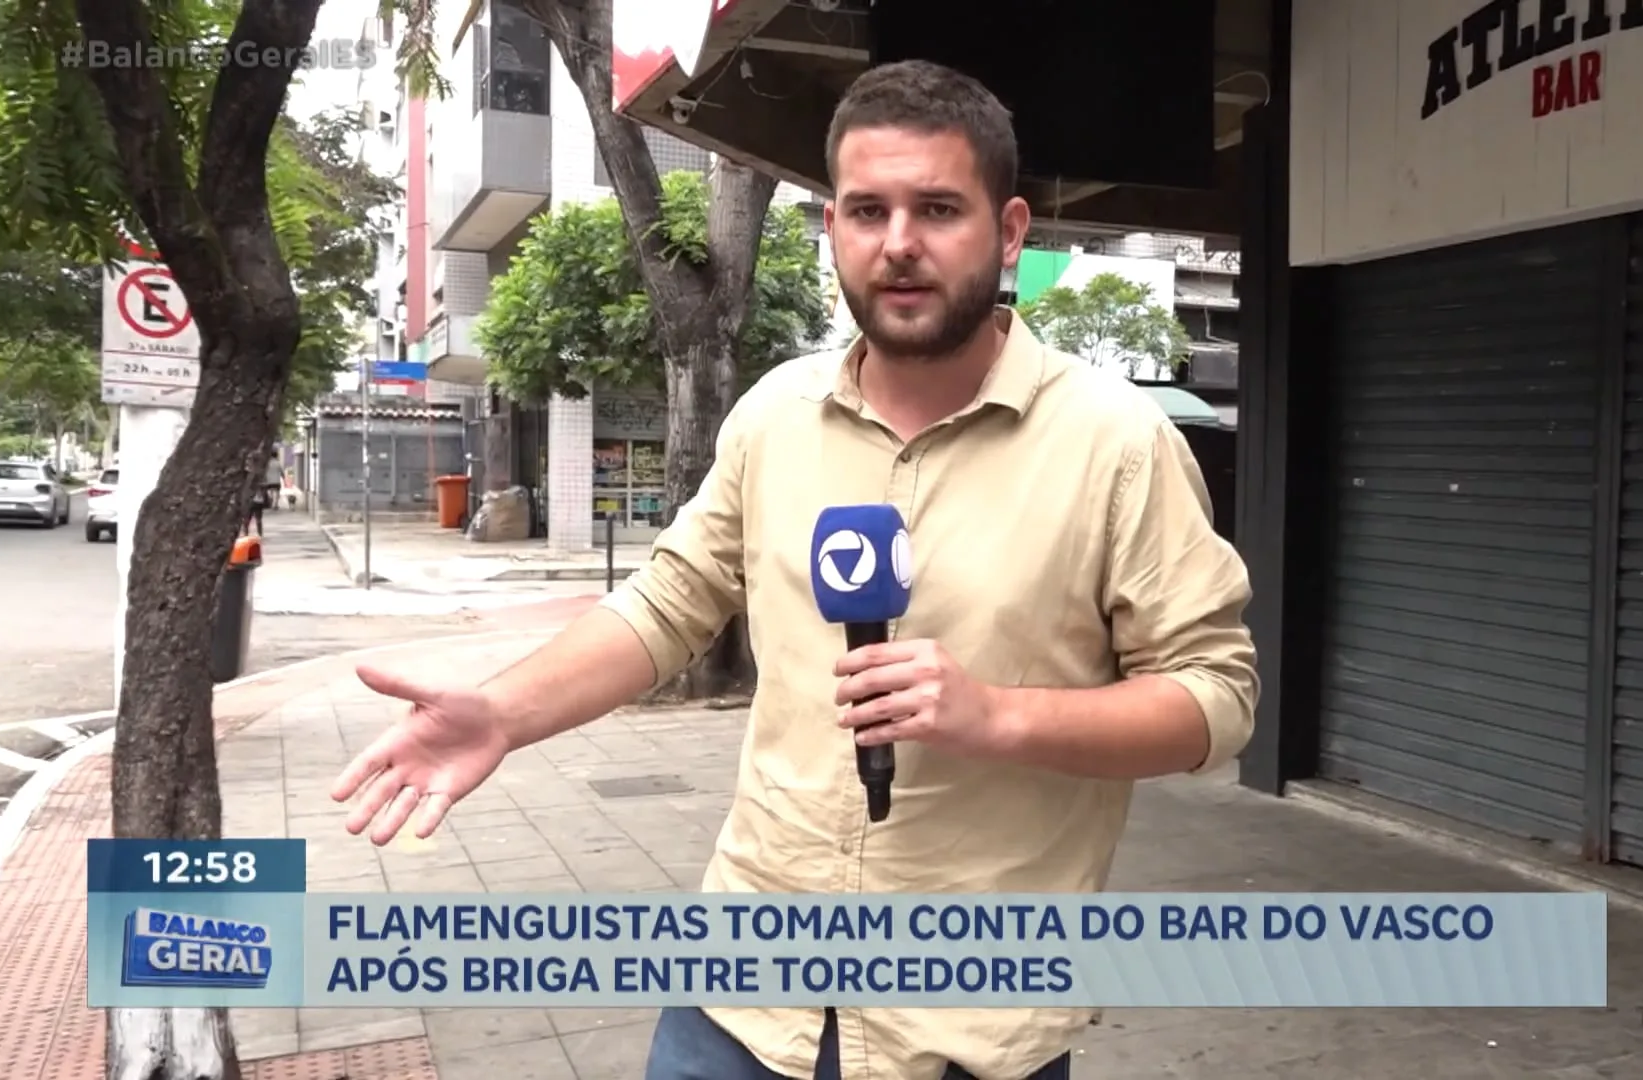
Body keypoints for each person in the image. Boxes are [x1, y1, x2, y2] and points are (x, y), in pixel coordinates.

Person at [330, 59, 1258, 1080]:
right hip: (739, 1000)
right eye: (867, 210)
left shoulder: (1118, 443)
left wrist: (998, 716)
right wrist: (505, 714)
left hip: (966, 1033)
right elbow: (669, 602)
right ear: (833, 234)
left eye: (939, 208)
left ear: (1010, 232)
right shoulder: (774, 415)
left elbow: (1215, 701)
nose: (898, 243)